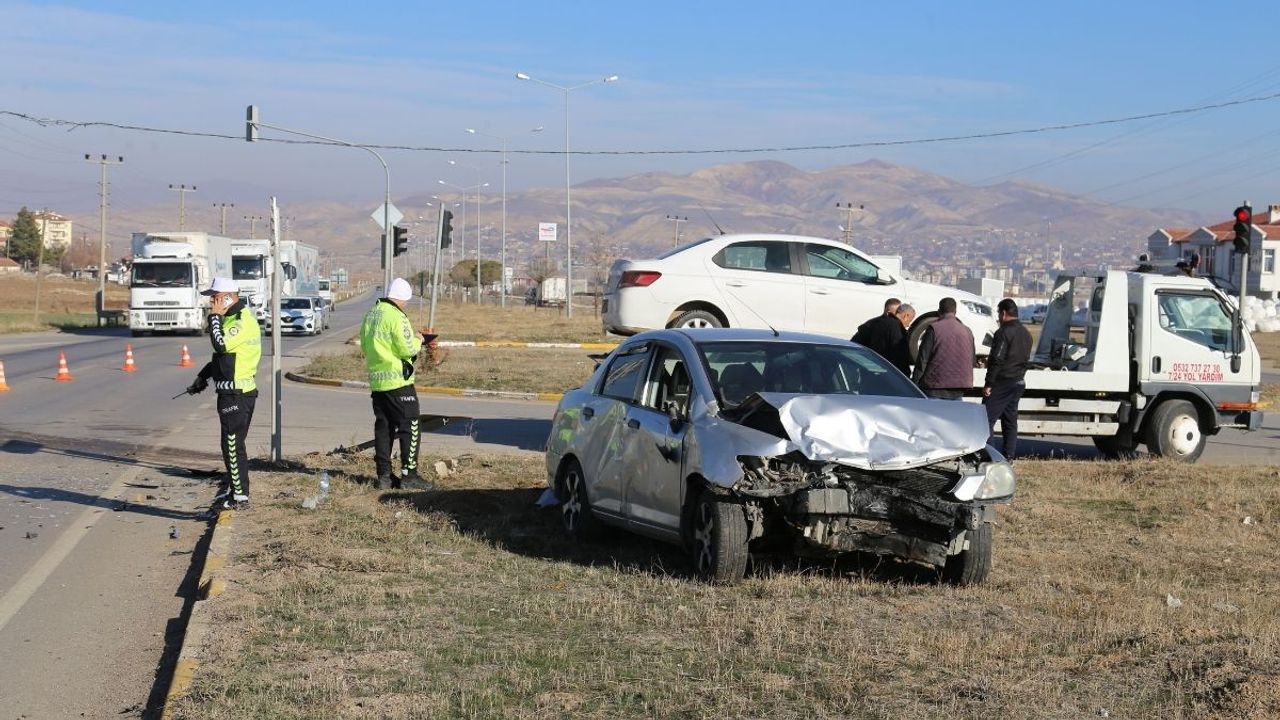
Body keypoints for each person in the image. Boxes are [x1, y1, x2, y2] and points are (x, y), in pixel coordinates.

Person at [186, 277, 262, 509]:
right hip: (231, 392)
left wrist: (214, 317)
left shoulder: (241, 320)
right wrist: (203, 376)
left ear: (228, 296)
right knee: (230, 445)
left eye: (215, 296)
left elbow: (220, 344)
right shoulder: (231, 318)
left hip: (237, 394)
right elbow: (223, 358)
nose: (212, 301)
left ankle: (240, 497)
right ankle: (236, 491)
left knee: (232, 445)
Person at [360, 278, 432, 490]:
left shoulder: (372, 313)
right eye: (407, 301)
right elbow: (407, 348)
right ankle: (409, 475)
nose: (406, 305)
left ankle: (384, 476)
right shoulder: (397, 316)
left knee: (384, 428)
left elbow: (364, 344)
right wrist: (420, 339)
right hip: (398, 381)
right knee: (411, 426)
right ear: (403, 298)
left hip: (378, 382)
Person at [983, 298, 1033, 459]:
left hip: (1002, 381)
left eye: (998, 313)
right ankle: (1008, 456)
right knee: (1010, 421)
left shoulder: (1003, 332)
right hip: (1018, 381)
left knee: (985, 419)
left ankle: (991, 456)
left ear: (1003, 313)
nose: (998, 318)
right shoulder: (1026, 333)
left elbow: (997, 359)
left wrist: (989, 383)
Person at [911, 297, 975, 400]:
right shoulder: (967, 331)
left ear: (939, 311)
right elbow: (972, 360)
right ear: (955, 311)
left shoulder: (934, 329)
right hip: (959, 387)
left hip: (935, 385)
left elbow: (923, 359)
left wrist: (915, 382)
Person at [852, 298, 907, 369]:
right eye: (897, 312)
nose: (899, 314)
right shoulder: (891, 326)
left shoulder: (870, 323)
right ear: (888, 312)